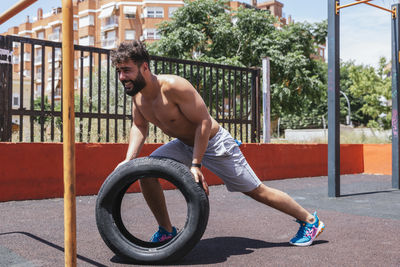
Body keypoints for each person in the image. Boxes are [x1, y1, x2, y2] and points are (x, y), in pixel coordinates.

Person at [111, 40, 325, 246]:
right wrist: (129, 160)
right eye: (119, 71)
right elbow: (139, 126)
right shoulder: (137, 97)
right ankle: (166, 231)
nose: (122, 77)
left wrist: (196, 164)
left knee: (256, 190)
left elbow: (203, 122)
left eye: (127, 70)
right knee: (146, 173)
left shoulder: (174, 86)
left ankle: (310, 221)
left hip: (215, 142)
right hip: (183, 144)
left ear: (144, 67)